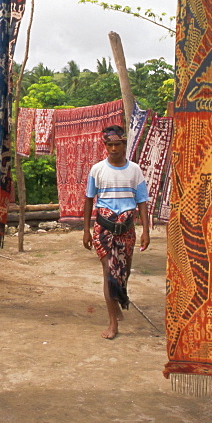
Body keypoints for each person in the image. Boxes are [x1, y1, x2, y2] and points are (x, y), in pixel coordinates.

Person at [82, 125, 150, 339]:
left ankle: (118, 300)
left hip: (127, 230)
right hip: (104, 229)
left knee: (123, 272)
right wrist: (86, 230)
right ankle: (113, 323)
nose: (113, 148)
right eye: (109, 145)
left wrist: (146, 231)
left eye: (117, 144)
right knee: (110, 272)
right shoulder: (97, 170)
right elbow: (88, 200)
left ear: (124, 145)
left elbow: (142, 202)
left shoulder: (135, 171)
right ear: (105, 146)